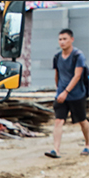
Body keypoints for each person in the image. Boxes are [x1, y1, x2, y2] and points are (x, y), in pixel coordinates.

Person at [45, 28, 89, 158]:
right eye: (60, 39)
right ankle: (55, 150)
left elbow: (77, 76)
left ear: (71, 40)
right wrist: (59, 90)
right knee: (59, 120)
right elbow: (57, 74)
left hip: (76, 95)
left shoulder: (78, 56)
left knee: (82, 121)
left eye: (65, 39)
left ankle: (87, 145)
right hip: (61, 96)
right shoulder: (57, 57)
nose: (62, 42)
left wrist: (66, 92)